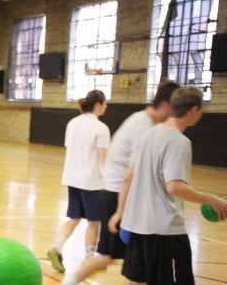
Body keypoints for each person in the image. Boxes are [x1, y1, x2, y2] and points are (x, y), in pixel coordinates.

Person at [60, 81, 180, 284]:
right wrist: (121, 211)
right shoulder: (143, 127)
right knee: (109, 256)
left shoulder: (142, 120)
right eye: (176, 110)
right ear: (167, 105)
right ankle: (70, 281)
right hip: (118, 196)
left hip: (117, 194)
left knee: (137, 261)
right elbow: (129, 175)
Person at [109, 86, 227, 284]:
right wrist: (211, 199)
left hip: (138, 225)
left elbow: (130, 175)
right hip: (164, 230)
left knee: (135, 281)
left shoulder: (150, 133)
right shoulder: (179, 141)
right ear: (194, 110)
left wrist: (121, 211)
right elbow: (174, 187)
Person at [48, 89, 110, 273]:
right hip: (92, 181)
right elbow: (103, 157)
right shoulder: (101, 128)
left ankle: (57, 248)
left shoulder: (73, 123)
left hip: (72, 178)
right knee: (93, 222)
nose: (106, 107)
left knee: (74, 217)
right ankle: (89, 259)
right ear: (98, 104)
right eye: (105, 103)